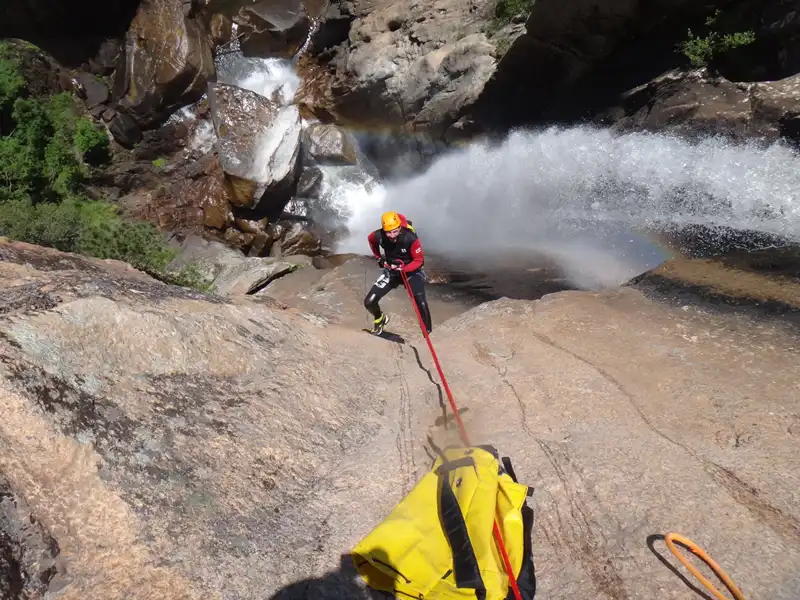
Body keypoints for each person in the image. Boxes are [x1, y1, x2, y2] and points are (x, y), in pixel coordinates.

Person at [364, 211, 432, 336]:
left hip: (412, 272)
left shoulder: (410, 238)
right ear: (383, 230)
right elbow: (371, 240)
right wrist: (379, 258)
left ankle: (428, 333)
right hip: (392, 272)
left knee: (420, 302)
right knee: (369, 302)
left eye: (395, 231)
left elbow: (419, 260)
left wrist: (404, 269)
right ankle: (380, 319)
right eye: (388, 232)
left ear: (400, 227)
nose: (392, 235)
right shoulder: (379, 236)